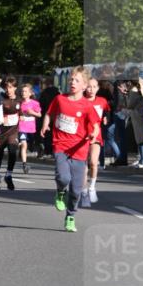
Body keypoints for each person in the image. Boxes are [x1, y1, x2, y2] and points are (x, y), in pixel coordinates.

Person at [41, 67, 98, 232]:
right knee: (64, 178)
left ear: (84, 85)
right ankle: (60, 191)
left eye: (77, 80)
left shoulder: (87, 106)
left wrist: (93, 135)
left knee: (76, 189)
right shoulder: (60, 99)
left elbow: (95, 126)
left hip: (79, 151)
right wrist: (46, 124)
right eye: (71, 79)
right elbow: (49, 113)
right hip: (61, 145)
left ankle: (71, 216)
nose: (72, 82)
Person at [83, 76, 111, 204]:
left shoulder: (102, 101)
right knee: (83, 166)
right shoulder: (81, 100)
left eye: (94, 87)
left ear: (98, 88)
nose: (91, 89)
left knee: (94, 162)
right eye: (89, 86)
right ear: (84, 87)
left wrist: (105, 118)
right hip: (82, 136)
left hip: (96, 135)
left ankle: (92, 187)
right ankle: (83, 191)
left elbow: (107, 111)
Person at [0, 76, 22, 190]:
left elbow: (22, 112)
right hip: (2, 131)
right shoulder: (1, 99)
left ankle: (9, 175)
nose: (8, 90)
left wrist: (22, 117)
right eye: (7, 87)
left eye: (11, 87)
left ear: (15, 88)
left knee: (12, 151)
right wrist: (1, 117)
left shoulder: (19, 100)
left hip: (13, 130)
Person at [18, 83, 41, 173]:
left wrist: (32, 113)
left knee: (29, 146)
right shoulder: (19, 103)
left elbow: (39, 115)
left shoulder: (35, 103)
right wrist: (19, 117)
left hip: (31, 129)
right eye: (22, 91)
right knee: (24, 145)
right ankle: (24, 164)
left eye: (25, 91)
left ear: (30, 93)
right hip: (22, 127)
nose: (23, 93)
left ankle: (32, 150)